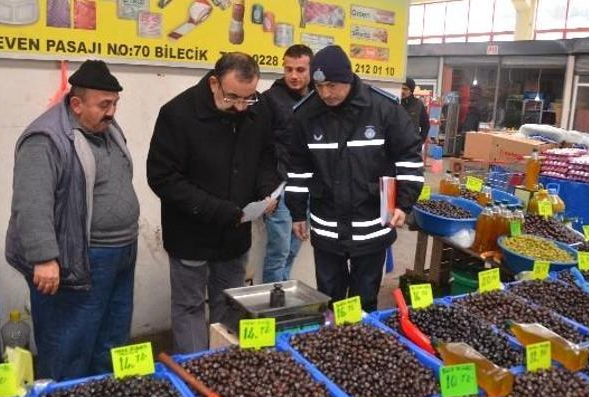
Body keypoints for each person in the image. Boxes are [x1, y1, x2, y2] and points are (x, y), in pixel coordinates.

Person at [5, 60, 140, 380]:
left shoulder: (106, 129)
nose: (111, 112)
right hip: (77, 256)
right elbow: (31, 202)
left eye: (115, 104)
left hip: (121, 252)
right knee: (70, 340)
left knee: (112, 335)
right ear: (76, 104)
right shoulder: (45, 139)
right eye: (104, 105)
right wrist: (44, 258)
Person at [147, 52, 280, 353]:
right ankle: (195, 373)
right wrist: (220, 210)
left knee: (229, 301)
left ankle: (223, 365)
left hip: (235, 233)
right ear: (213, 83)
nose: (240, 106)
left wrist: (266, 190)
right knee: (190, 306)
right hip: (191, 232)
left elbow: (266, 158)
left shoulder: (256, 111)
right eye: (232, 97)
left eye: (247, 98)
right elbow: (163, 178)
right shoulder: (177, 114)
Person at [285, 45, 423, 312]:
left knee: (365, 299)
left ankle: (364, 346)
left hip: (371, 223)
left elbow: (408, 157)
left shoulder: (383, 110)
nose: (326, 93)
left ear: (348, 78)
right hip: (327, 226)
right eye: (320, 86)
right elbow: (298, 168)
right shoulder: (306, 114)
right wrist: (297, 212)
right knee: (329, 297)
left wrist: (403, 204)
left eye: (333, 86)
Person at [260, 44, 313, 283]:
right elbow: (259, 148)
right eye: (289, 69)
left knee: (292, 250)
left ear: (311, 70)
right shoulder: (270, 100)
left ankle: (282, 303)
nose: (293, 75)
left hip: (308, 188)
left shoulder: (318, 99)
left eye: (300, 69)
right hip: (279, 188)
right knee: (278, 252)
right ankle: (271, 312)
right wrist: (266, 190)